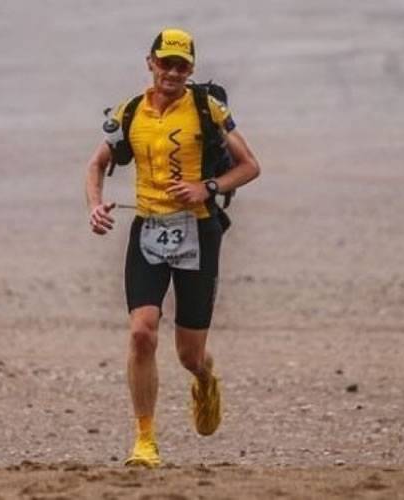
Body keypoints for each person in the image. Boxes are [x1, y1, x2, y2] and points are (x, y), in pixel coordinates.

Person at [85, 28, 260, 468]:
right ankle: (145, 441)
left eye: (182, 65)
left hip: (198, 233)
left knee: (189, 355)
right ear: (151, 63)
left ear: (191, 70)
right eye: (166, 63)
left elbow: (250, 165)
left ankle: (205, 378)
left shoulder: (207, 110)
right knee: (142, 332)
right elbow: (97, 164)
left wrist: (209, 187)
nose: (173, 72)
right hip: (147, 230)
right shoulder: (130, 112)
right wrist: (94, 206)